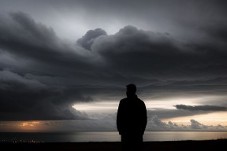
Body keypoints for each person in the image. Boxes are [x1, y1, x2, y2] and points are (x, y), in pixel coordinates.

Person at [117, 84, 147, 151]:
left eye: (127, 90)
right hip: (135, 132)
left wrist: (120, 130)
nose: (126, 92)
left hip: (130, 133)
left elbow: (119, 117)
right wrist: (141, 131)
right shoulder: (141, 103)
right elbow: (144, 119)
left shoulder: (123, 102)